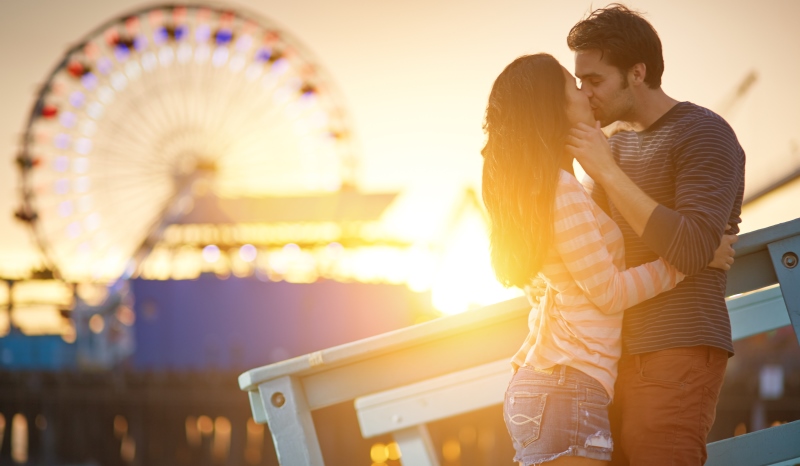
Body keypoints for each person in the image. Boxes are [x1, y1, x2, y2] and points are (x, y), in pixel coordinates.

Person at [481, 53, 733, 466]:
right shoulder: (561, 189)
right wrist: (691, 260)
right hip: (566, 385)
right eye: (573, 86)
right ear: (555, 109)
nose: (584, 94)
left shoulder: (548, 187)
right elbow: (608, 291)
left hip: (556, 383)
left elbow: (562, 285)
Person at [564, 5, 746, 465]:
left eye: (595, 81)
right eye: (579, 82)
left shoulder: (704, 134)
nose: (585, 94)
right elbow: (589, 248)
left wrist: (604, 170)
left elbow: (688, 246)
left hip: (676, 351)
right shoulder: (617, 142)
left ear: (637, 73)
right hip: (613, 357)